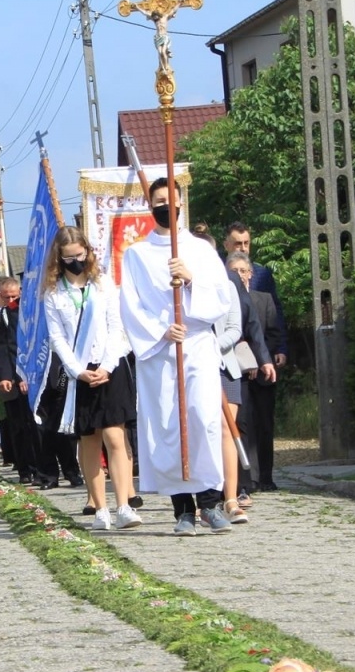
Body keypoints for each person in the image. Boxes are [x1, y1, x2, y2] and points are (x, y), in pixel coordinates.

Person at [121, 179, 233, 536]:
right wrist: (162, 329)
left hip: (197, 344)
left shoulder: (200, 250)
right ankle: (182, 509)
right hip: (160, 352)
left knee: (202, 419)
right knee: (169, 426)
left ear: (182, 202)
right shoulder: (136, 254)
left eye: (170, 200)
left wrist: (190, 281)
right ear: (148, 205)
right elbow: (131, 306)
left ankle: (211, 502)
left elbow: (221, 299)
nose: (164, 206)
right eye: (157, 201)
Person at [43, 227, 140, 531]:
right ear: (59, 258)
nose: (76, 261)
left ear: (87, 251)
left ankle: (123, 504)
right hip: (80, 373)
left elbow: (117, 327)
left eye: (80, 255)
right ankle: (100, 508)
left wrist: (107, 367)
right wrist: (77, 370)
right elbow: (57, 338)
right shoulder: (54, 293)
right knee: (89, 439)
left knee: (115, 436)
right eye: (69, 257)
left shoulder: (103, 284)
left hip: (110, 367)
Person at [229, 251, 282, 495]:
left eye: (243, 270)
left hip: (262, 371)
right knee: (242, 424)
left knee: (264, 425)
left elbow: (272, 331)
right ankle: (245, 479)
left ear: (251, 274)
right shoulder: (225, 299)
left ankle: (266, 476)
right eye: (235, 270)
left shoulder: (264, 299)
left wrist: (262, 359)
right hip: (236, 373)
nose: (240, 275)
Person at [0, 275, 39, 486]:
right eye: (7, 297)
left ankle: (40, 466)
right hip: (8, 380)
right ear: (0, 296)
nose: (11, 300)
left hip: (31, 379)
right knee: (17, 427)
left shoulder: (30, 314)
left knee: (35, 425)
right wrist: (12, 375)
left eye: (15, 296)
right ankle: (24, 468)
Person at [223, 223, 288, 370]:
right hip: (228, 356)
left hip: (263, 355)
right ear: (226, 245)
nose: (243, 248)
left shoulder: (262, 275)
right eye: (238, 244)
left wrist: (281, 348)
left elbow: (275, 314)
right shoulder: (218, 274)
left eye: (246, 243)